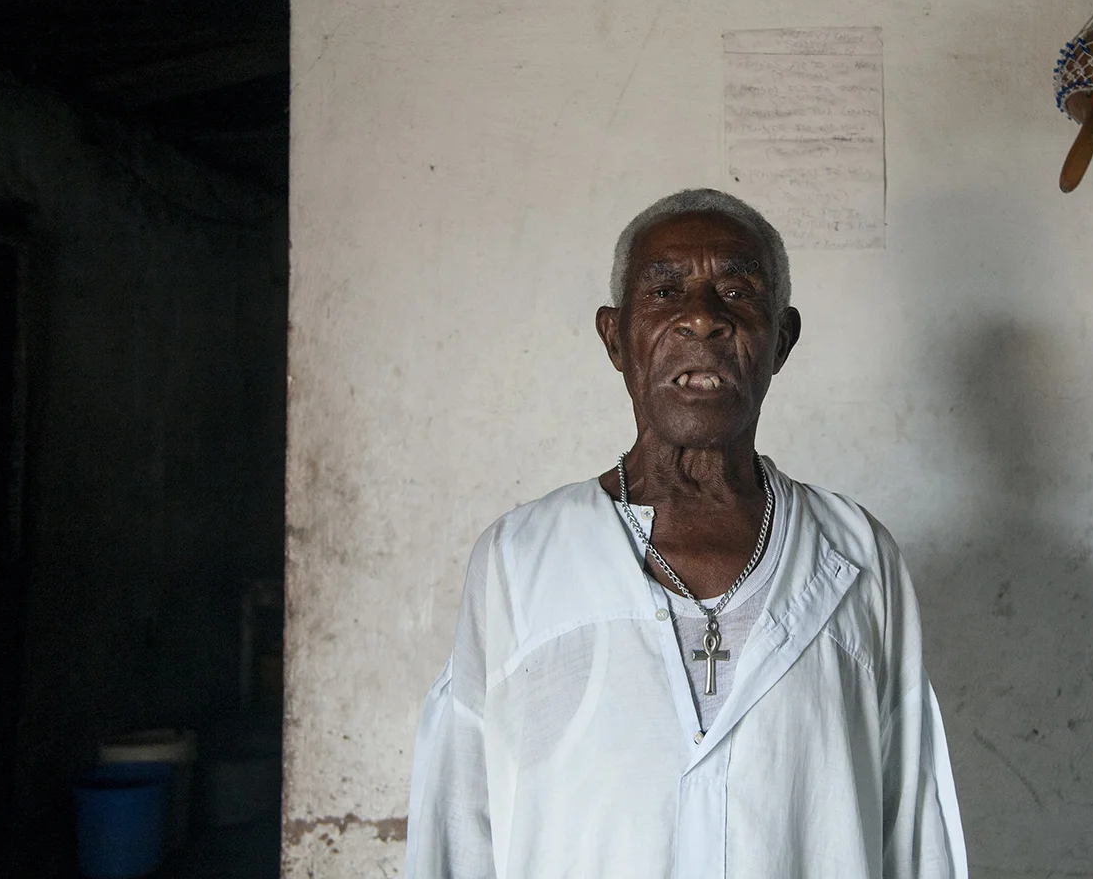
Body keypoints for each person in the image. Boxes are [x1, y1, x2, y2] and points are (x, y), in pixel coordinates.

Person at [405, 188, 967, 878]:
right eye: (665, 292)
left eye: (736, 289)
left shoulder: (853, 554)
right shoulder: (519, 559)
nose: (701, 318)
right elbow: (461, 825)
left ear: (781, 340)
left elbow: (912, 827)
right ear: (616, 338)